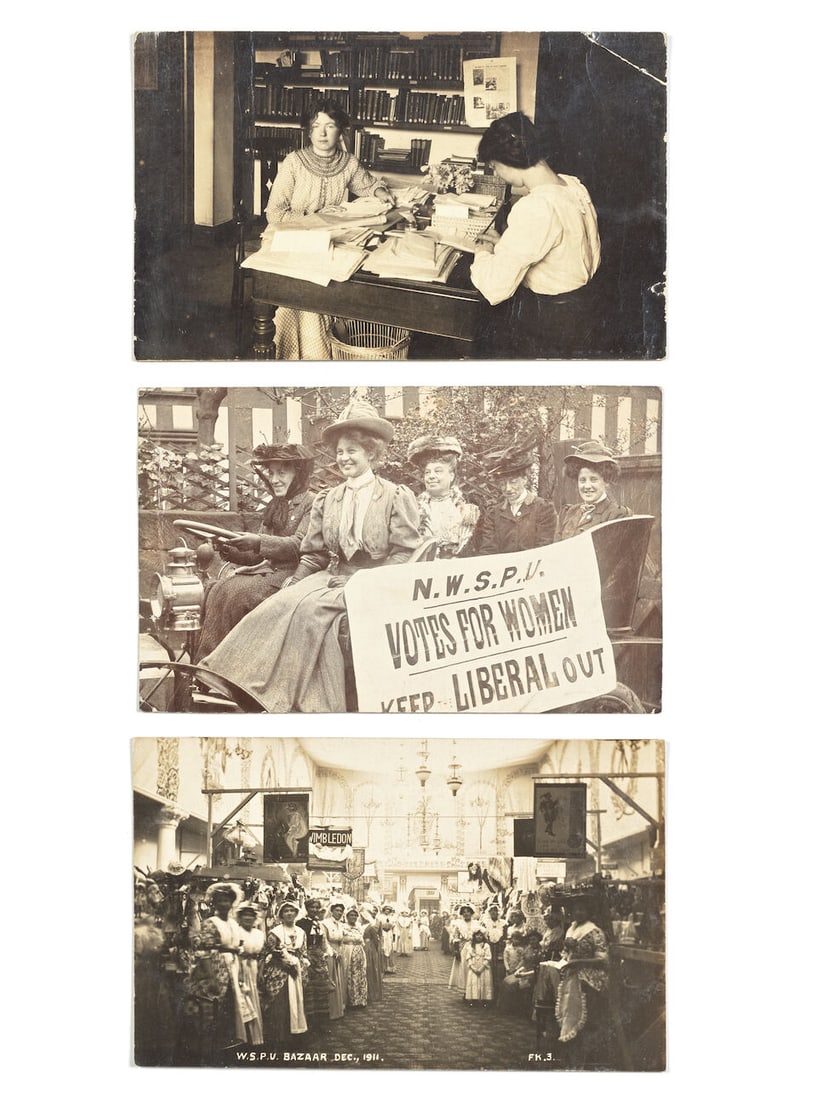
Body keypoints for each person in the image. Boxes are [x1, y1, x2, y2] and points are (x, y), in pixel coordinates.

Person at [201, 398, 423, 711]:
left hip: (373, 580)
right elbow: (314, 554)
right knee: (278, 605)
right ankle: (236, 683)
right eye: (341, 452)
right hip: (333, 575)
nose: (344, 458)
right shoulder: (329, 500)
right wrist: (295, 580)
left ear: (371, 453)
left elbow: (405, 553)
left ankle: (299, 700)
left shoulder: (393, 496)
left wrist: (371, 585)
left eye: (352, 451)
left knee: (310, 613)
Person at [262, 98, 395, 359]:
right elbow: (274, 213)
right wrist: (317, 219)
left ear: (340, 130)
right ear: (308, 130)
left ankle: (332, 350)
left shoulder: (349, 163)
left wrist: (380, 191)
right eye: (316, 126)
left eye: (330, 125)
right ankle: (308, 355)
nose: (322, 133)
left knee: (350, 275)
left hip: (331, 240)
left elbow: (366, 185)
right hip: (292, 239)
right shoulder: (294, 162)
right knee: (309, 296)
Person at [470, 111, 601, 359]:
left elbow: (494, 288)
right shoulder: (572, 185)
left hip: (549, 323)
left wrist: (483, 253)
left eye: (495, 167)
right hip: (582, 312)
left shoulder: (536, 206)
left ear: (507, 160)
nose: (498, 175)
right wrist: (504, 244)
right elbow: (565, 248)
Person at [196, 444, 316, 660]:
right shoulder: (276, 505)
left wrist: (258, 541)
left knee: (237, 595)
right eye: (271, 472)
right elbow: (257, 556)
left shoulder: (312, 503)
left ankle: (221, 665)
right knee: (215, 588)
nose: (275, 479)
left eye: (282, 472)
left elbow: (299, 544)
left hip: (295, 575)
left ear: (299, 473)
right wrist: (226, 547)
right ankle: (209, 663)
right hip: (268, 572)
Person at [179, 882, 255, 1063]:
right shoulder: (210, 923)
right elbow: (203, 952)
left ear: (231, 903)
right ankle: (205, 1052)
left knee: (229, 1009)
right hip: (215, 967)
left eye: (227, 901)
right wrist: (211, 976)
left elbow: (238, 946)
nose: (224, 904)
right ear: (214, 903)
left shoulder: (233, 924)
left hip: (233, 967)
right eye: (220, 901)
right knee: (211, 1010)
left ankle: (223, 1049)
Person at [555, 896, 611, 1067]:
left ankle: (586, 1059)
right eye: (576, 909)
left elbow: (603, 959)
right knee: (570, 1015)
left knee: (586, 1021)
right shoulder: (571, 928)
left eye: (582, 909)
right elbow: (566, 953)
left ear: (589, 912)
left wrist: (578, 962)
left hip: (589, 979)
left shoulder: (594, 931)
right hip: (572, 975)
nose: (579, 912)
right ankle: (574, 1054)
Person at [406, 434, 480, 558]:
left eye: (438, 471)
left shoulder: (469, 507)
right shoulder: (414, 508)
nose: (431, 476)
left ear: (451, 475)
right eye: (427, 472)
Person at [473, 446, 557, 554]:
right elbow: (488, 551)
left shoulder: (543, 509)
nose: (508, 488)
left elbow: (545, 548)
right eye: (503, 483)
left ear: (525, 479)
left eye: (513, 482)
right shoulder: (494, 514)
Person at [557, 441, 632, 539]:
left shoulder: (616, 515)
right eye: (582, 480)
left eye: (594, 479)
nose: (587, 486)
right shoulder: (568, 513)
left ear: (606, 481)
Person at [259, 900, 309, 1043]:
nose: (289, 913)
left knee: (296, 1003)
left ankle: (295, 1037)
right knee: (280, 1005)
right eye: (285, 911)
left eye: (291, 911)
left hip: (296, 970)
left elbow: (303, 953)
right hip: (279, 971)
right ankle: (279, 1039)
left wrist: (300, 967)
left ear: (296, 913)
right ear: (281, 915)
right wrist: (282, 963)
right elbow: (266, 954)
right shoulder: (274, 933)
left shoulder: (301, 932)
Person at [296, 898, 334, 1032]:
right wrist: (306, 957)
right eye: (312, 907)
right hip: (306, 958)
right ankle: (309, 1024)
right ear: (307, 908)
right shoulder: (300, 924)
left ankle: (322, 1023)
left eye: (317, 907)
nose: (315, 910)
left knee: (322, 991)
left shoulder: (319, 924)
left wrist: (326, 952)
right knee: (309, 991)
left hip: (319, 959)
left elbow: (323, 942)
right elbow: (299, 943)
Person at [234, 901, 265, 1044]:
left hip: (254, 966)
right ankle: (243, 1037)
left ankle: (256, 1037)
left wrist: (260, 971)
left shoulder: (259, 933)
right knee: (242, 998)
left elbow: (262, 955)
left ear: (255, 918)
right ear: (239, 918)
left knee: (254, 997)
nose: (248, 918)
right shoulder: (236, 931)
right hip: (239, 966)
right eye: (244, 915)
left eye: (251, 916)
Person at [321, 900, 348, 1019]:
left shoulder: (340, 924)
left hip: (339, 950)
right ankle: (330, 1010)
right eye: (337, 910)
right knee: (331, 977)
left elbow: (341, 939)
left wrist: (341, 951)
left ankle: (338, 1007)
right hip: (329, 951)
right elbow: (324, 940)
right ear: (331, 911)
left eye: (341, 911)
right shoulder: (325, 923)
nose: (339, 912)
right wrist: (332, 952)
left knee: (339, 978)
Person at [339, 907, 368, 1008]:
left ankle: (359, 999)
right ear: (346, 916)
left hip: (359, 952)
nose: (353, 917)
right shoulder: (342, 927)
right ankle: (350, 1000)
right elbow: (342, 940)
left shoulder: (359, 927)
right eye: (351, 915)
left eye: (355, 915)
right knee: (349, 973)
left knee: (359, 974)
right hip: (348, 951)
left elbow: (362, 941)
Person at [447, 904, 478, 993]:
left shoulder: (476, 923)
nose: (466, 914)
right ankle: (465, 991)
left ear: (471, 912)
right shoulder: (458, 924)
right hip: (463, 949)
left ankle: (474, 991)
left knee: (474, 968)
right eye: (464, 912)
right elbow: (455, 938)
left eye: (468, 911)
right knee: (464, 969)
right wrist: (456, 951)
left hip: (475, 948)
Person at [462, 929, 494, 1007]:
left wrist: (482, 967)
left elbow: (488, 957)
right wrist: (472, 967)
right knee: (474, 982)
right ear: (474, 936)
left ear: (483, 936)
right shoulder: (471, 945)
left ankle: (485, 1000)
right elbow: (468, 957)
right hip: (474, 966)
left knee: (484, 982)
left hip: (483, 967)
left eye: (481, 935)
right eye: (477, 935)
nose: (479, 937)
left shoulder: (486, 946)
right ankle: (473, 999)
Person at [360, 905, 384, 1003]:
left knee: (370, 968)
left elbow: (376, 939)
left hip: (369, 948)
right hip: (360, 947)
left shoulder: (370, 926)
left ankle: (371, 992)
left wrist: (375, 950)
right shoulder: (358, 926)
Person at [378, 904, 397, 974]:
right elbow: (379, 926)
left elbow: (394, 927)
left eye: (389, 910)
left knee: (389, 948)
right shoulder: (380, 917)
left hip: (389, 933)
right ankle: (383, 967)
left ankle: (390, 967)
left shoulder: (392, 918)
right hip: (383, 933)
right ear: (384, 910)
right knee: (383, 948)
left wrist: (394, 934)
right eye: (386, 910)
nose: (387, 911)